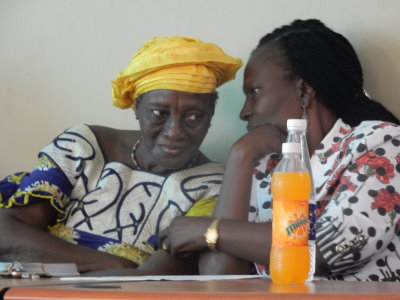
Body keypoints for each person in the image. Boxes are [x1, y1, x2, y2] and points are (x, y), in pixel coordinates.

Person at [161, 19, 400, 281]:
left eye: (254, 92)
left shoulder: (380, 144)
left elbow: (327, 252)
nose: (244, 112)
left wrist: (207, 231)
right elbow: (221, 278)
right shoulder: (265, 165)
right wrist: (241, 157)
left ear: (304, 91)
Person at [0, 36, 242, 274]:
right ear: (136, 107)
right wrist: (119, 265)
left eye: (194, 117)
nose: (175, 132)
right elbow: (7, 233)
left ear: (210, 115)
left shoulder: (216, 185)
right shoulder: (83, 146)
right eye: (159, 113)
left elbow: (155, 277)